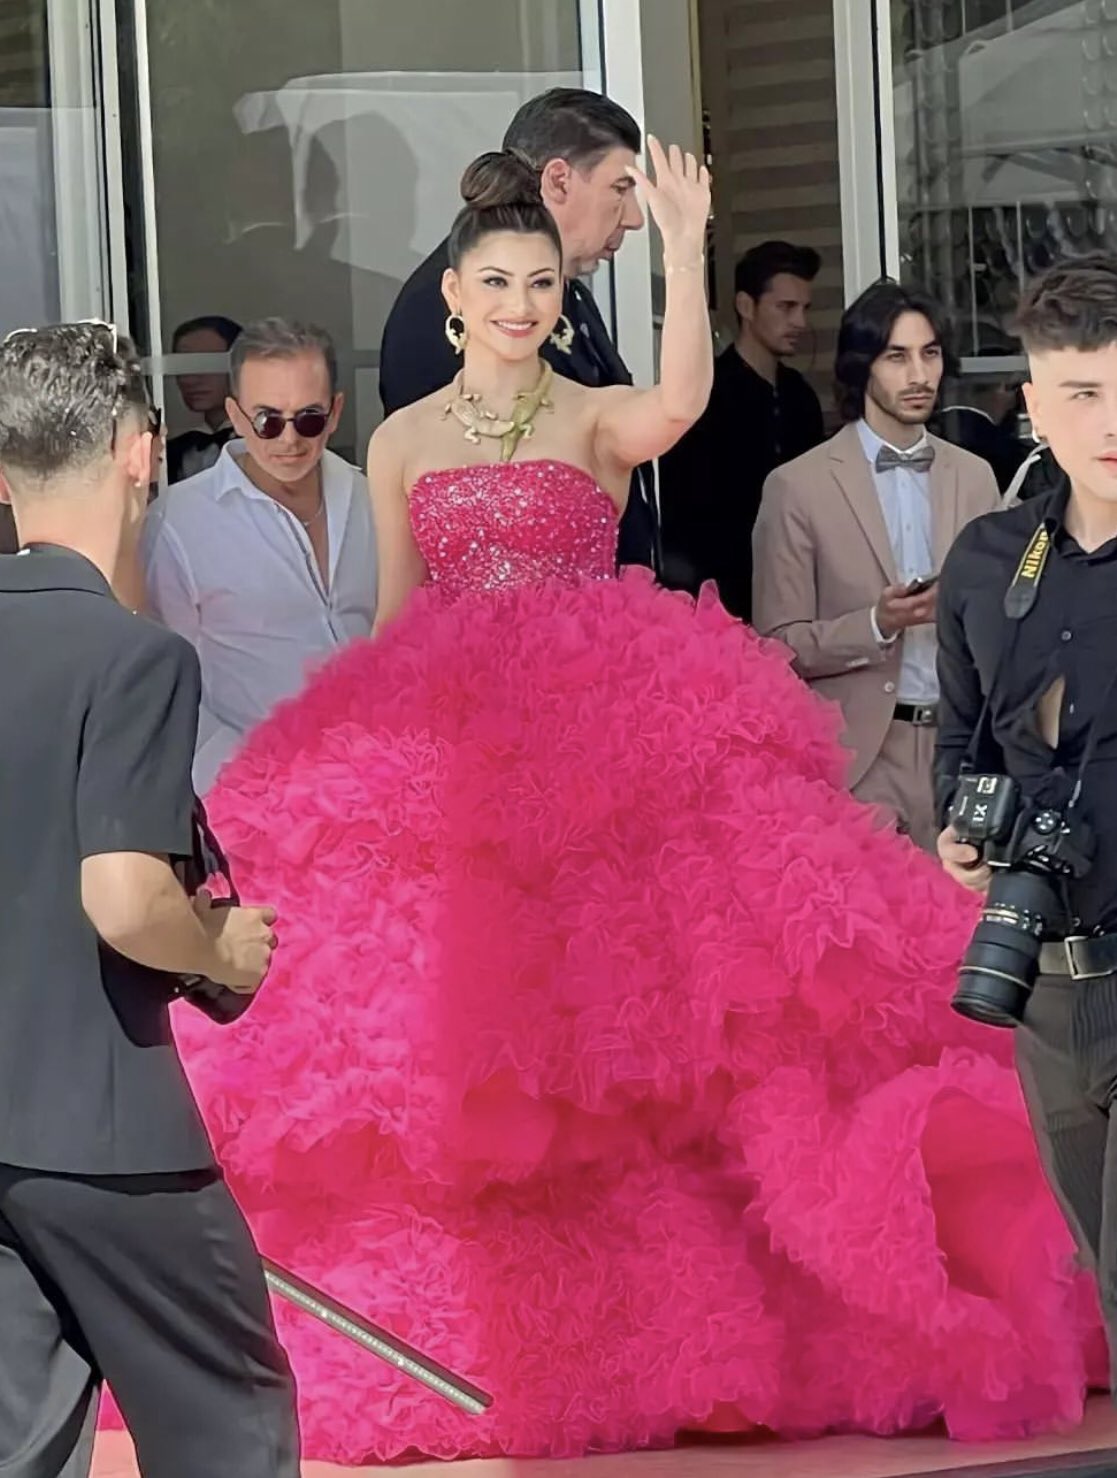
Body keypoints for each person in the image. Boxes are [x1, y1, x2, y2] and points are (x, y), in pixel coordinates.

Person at [158, 149, 1099, 1465]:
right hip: (451, 736)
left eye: (540, 282)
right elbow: (389, 615)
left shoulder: (594, 415)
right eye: (496, 281)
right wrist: (353, 748)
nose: (519, 301)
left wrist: (682, 243)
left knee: (666, 1024)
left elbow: (678, 398)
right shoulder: (408, 440)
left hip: (606, 730)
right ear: (453, 298)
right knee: (460, 1043)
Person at [0, 322, 299, 1477]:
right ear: (139, 453)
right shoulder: (135, 657)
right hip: (108, 1126)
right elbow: (125, 898)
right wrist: (221, 947)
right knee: (230, 1421)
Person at [936, 252, 1117, 1393]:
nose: (1112, 420)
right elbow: (958, 754)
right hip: (1044, 984)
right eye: (1085, 392)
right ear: (1035, 406)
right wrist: (955, 838)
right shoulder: (986, 562)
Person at [752, 280, 1000, 852]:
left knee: (963, 935)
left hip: (961, 751)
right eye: (897, 356)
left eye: (930, 353)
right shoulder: (798, 487)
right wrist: (876, 623)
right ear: (862, 366)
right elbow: (776, 648)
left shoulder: (974, 476)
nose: (919, 375)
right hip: (859, 756)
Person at [379, 86, 658, 571]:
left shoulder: (572, 294)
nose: (633, 218)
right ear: (559, 180)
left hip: (601, 616)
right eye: (621, 188)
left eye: (540, 286)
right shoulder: (443, 307)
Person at [143, 317, 377, 793]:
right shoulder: (179, 523)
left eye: (308, 418)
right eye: (267, 420)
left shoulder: (374, 500)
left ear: (335, 413)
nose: (288, 439)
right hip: (253, 800)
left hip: (378, 781)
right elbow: (167, 684)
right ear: (236, 413)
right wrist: (248, 784)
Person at [659, 240, 825, 617]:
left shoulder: (801, 397)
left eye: (804, 308)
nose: (799, 322)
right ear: (746, 306)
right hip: (720, 600)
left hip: (795, 593)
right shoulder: (704, 394)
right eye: (786, 307)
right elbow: (684, 516)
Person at [166, 314, 241, 483]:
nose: (189, 379)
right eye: (182, 367)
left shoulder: (268, 444)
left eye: (206, 364)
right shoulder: (170, 452)